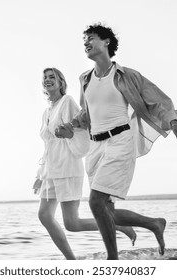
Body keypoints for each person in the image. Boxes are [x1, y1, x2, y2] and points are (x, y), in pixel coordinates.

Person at [55, 24, 177, 260]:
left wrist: (174, 122)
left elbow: (157, 101)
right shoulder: (85, 79)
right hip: (95, 146)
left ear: (106, 42)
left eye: (92, 38)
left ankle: (112, 261)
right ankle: (153, 223)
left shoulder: (127, 75)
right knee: (104, 209)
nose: (86, 43)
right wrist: (70, 125)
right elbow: (86, 115)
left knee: (96, 202)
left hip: (120, 141)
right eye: (84, 40)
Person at [33, 67, 137, 260]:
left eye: (52, 77)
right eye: (45, 78)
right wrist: (39, 176)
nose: (48, 80)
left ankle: (117, 225)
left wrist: (70, 134)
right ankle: (71, 261)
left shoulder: (68, 102)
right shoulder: (47, 111)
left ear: (61, 82)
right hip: (50, 171)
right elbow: (47, 146)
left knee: (72, 223)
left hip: (67, 168)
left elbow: (83, 131)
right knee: (44, 216)